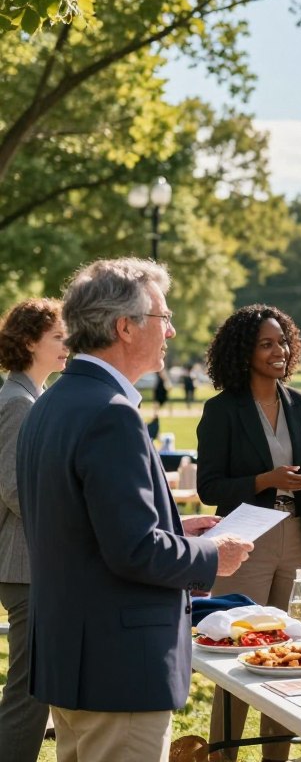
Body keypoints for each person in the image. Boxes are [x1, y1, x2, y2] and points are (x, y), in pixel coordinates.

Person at [16, 258, 252, 762]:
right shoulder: (110, 413)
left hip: (72, 655)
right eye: (161, 317)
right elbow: (134, 550)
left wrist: (177, 527)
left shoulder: (54, 402)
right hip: (117, 666)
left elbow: (80, 522)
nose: (170, 330)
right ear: (125, 327)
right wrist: (212, 555)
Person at [197, 303, 301, 762]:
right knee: (236, 652)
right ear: (244, 351)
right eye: (267, 344)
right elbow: (209, 486)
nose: (280, 351)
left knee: (291, 650)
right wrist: (266, 480)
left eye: (283, 342)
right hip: (245, 540)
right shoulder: (222, 411)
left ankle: (276, 756)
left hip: (296, 535)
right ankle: (225, 756)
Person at [0, 298, 67, 762]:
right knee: (28, 693)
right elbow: (13, 489)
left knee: (35, 688)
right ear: (29, 342)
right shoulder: (17, 402)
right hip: (24, 565)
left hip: (34, 561)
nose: (69, 345)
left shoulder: (32, 396)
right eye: (60, 338)